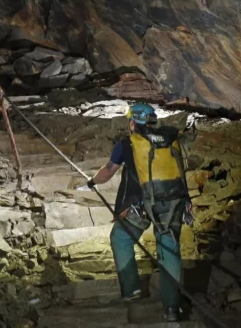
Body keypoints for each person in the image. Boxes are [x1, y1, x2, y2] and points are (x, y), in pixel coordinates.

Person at [85, 103, 193, 323]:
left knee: (121, 238)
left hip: (141, 208)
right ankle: (172, 309)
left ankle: (132, 292)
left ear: (132, 122)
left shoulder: (127, 144)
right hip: (173, 204)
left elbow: (107, 172)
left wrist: (91, 182)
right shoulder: (170, 140)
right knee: (169, 252)